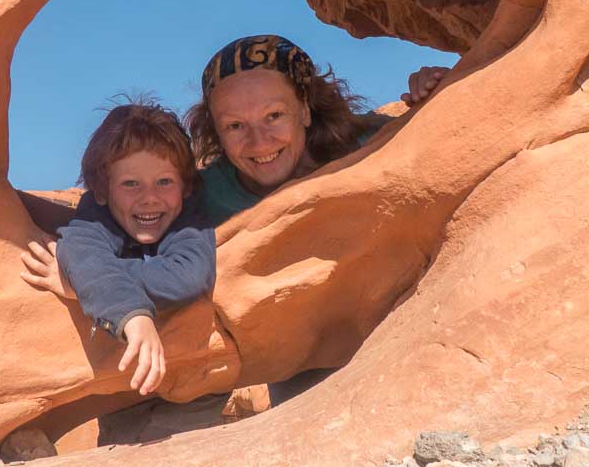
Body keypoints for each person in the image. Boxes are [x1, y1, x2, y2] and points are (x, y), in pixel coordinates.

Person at [185, 34, 448, 402]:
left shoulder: (370, 146)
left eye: (274, 116)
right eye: (234, 126)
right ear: (215, 130)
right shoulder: (203, 196)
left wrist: (441, 90)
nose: (259, 142)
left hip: (406, 338)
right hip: (304, 370)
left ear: (306, 110)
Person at [20, 99, 216, 396]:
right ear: (101, 190)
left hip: (198, 385)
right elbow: (80, 251)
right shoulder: (96, 215)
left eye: (164, 181)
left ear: (186, 187)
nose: (149, 197)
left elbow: (188, 275)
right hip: (117, 390)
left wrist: (82, 286)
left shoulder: (189, 218)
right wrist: (132, 315)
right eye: (130, 184)